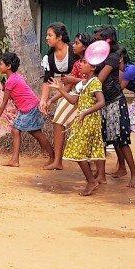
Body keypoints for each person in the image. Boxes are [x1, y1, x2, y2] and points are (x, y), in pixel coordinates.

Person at [93, 26, 135, 187]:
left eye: (98, 39)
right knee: (103, 139)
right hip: (105, 102)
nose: (95, 42)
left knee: (121, 141)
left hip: (114, 102)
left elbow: (99, 79)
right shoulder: (99, 57)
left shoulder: (112, 57)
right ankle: (101, 174)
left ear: (107, 40)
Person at [54, 59, 105, 195]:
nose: (80, 65)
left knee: (77, 150)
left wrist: (85, 112)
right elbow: (73, 100)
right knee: (77, 150)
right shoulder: (83, 83)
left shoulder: (94, 82)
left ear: (93, 67)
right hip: (83, 121)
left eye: (84, 62)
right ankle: (91, 180)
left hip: (89, 121)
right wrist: (60, 89)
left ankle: (91, 181)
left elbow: (101, 102)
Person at [0, 52, 53, 167]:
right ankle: (52, 156)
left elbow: (4, 102)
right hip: (30, 107)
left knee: (21, 131)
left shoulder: (10, 81)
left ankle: (16, 160)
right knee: (33, 132)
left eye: (1, 64)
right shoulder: (16, 77)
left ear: (8, 66)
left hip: (29, 109)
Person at [38, 24, 75, 115]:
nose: (46, 38)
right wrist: (43, 100)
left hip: (77, 89)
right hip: (63, 91)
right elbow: (47, 80)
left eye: (50, 35)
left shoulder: (73, 50)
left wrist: (52, 99)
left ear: (59, 37)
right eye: (46, 35)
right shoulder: (50, 56)